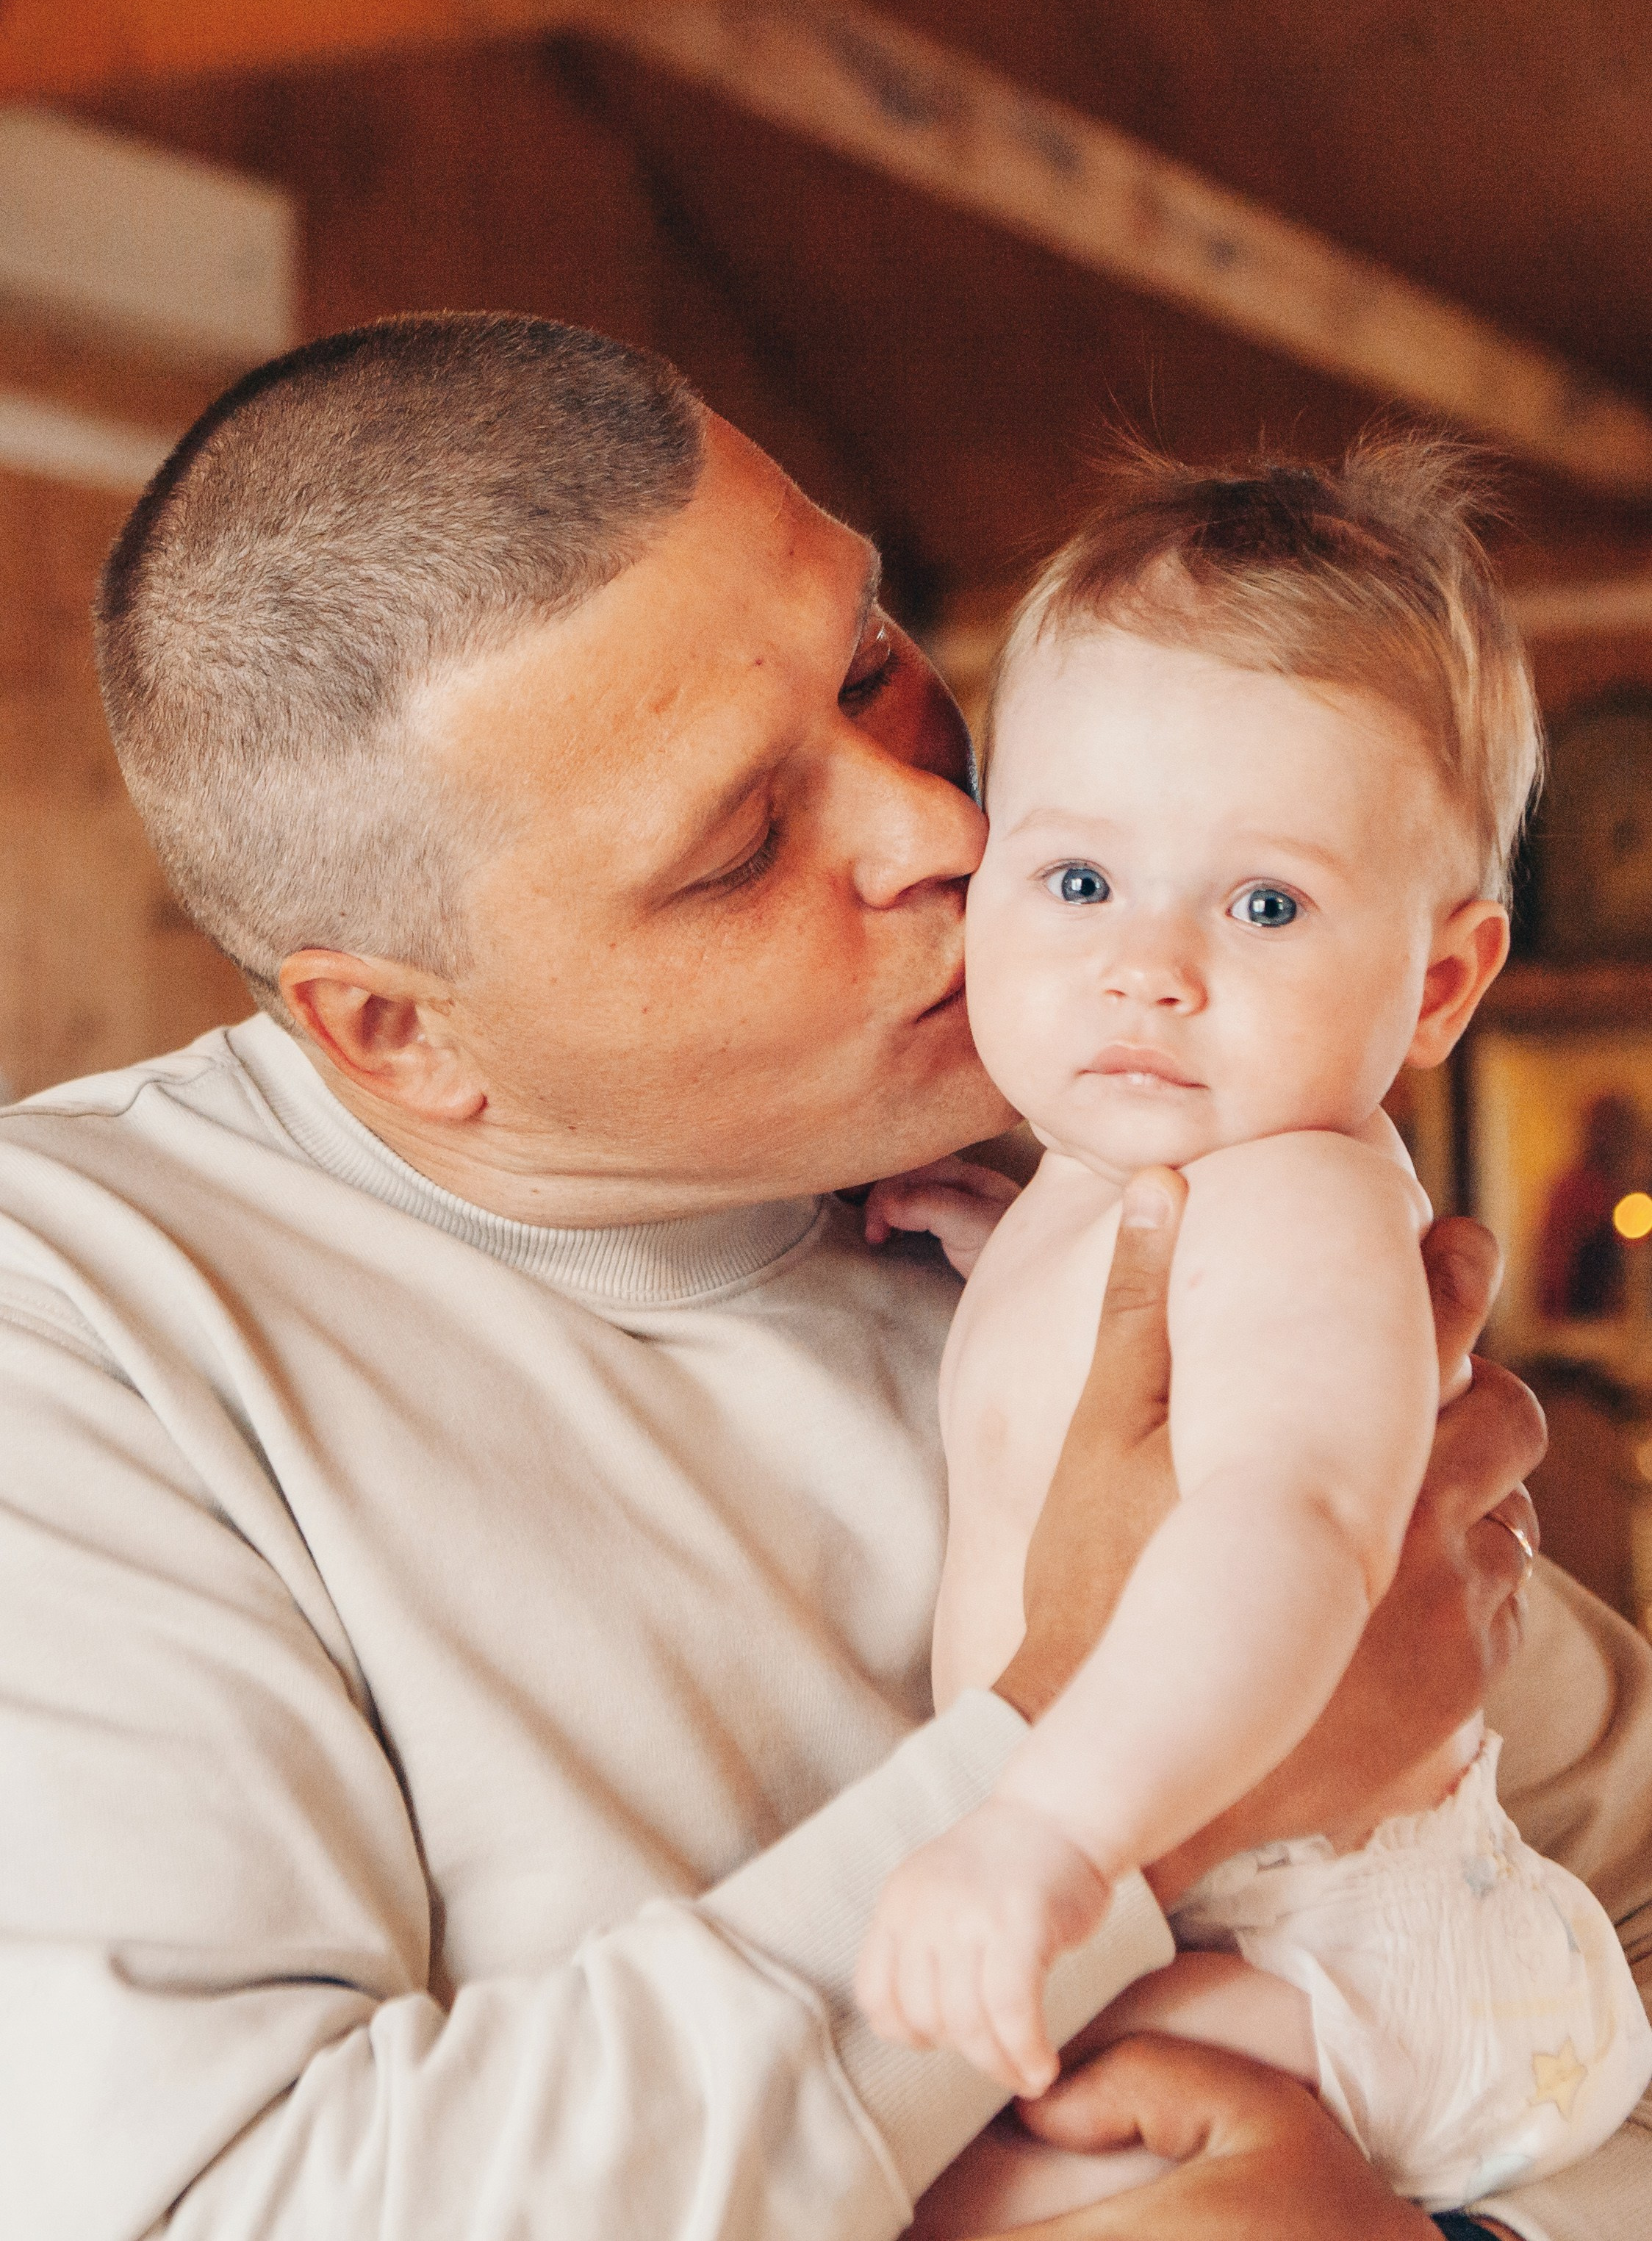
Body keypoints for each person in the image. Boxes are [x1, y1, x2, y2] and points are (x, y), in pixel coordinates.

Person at [0, 313, 1640, 2241]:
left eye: (875, 668)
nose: (950, 832)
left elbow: (1601, 1911)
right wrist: (1100, 1776)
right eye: (743, 843)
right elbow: (218, 2203)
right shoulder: (88, 1334)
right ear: (396, 1031)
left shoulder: (1124, 1151)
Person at [855, 445, 1652, 2216]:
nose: (1150, 964)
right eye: (1076, 883)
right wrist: (997, 1241)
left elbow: (1284, 1524)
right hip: (1260, 1930)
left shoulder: (1299, 1202)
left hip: (1347, 1961)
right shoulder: (1126, 1171)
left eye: (1263, 904)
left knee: (969, 2172)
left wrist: (1044, 1827)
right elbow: (1141, 1378)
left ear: (1437, 982)